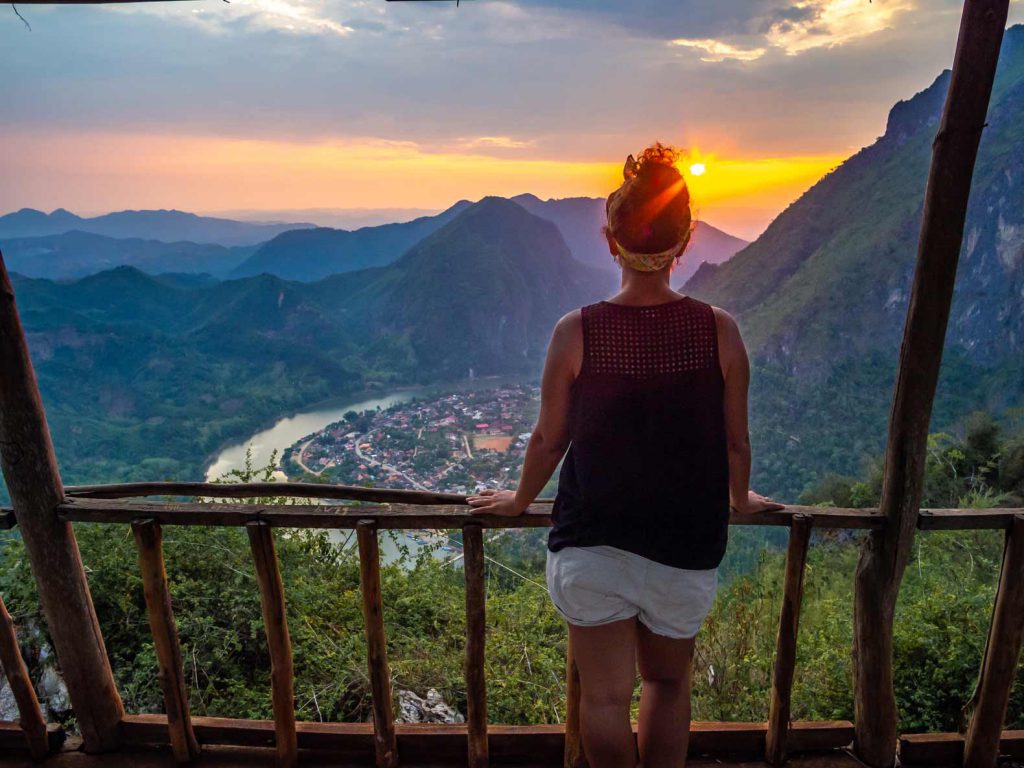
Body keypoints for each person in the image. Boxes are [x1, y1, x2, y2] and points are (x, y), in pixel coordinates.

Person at [467, 142, 783, 768]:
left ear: (611, 242)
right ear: (685, 242)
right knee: (668, 684)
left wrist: (518, 501)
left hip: (594, 543)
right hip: (685, 544)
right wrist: (739, 498)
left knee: (605, 702)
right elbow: (735, 440)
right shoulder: (718, 329)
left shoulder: (576, 331)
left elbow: (549, 439)